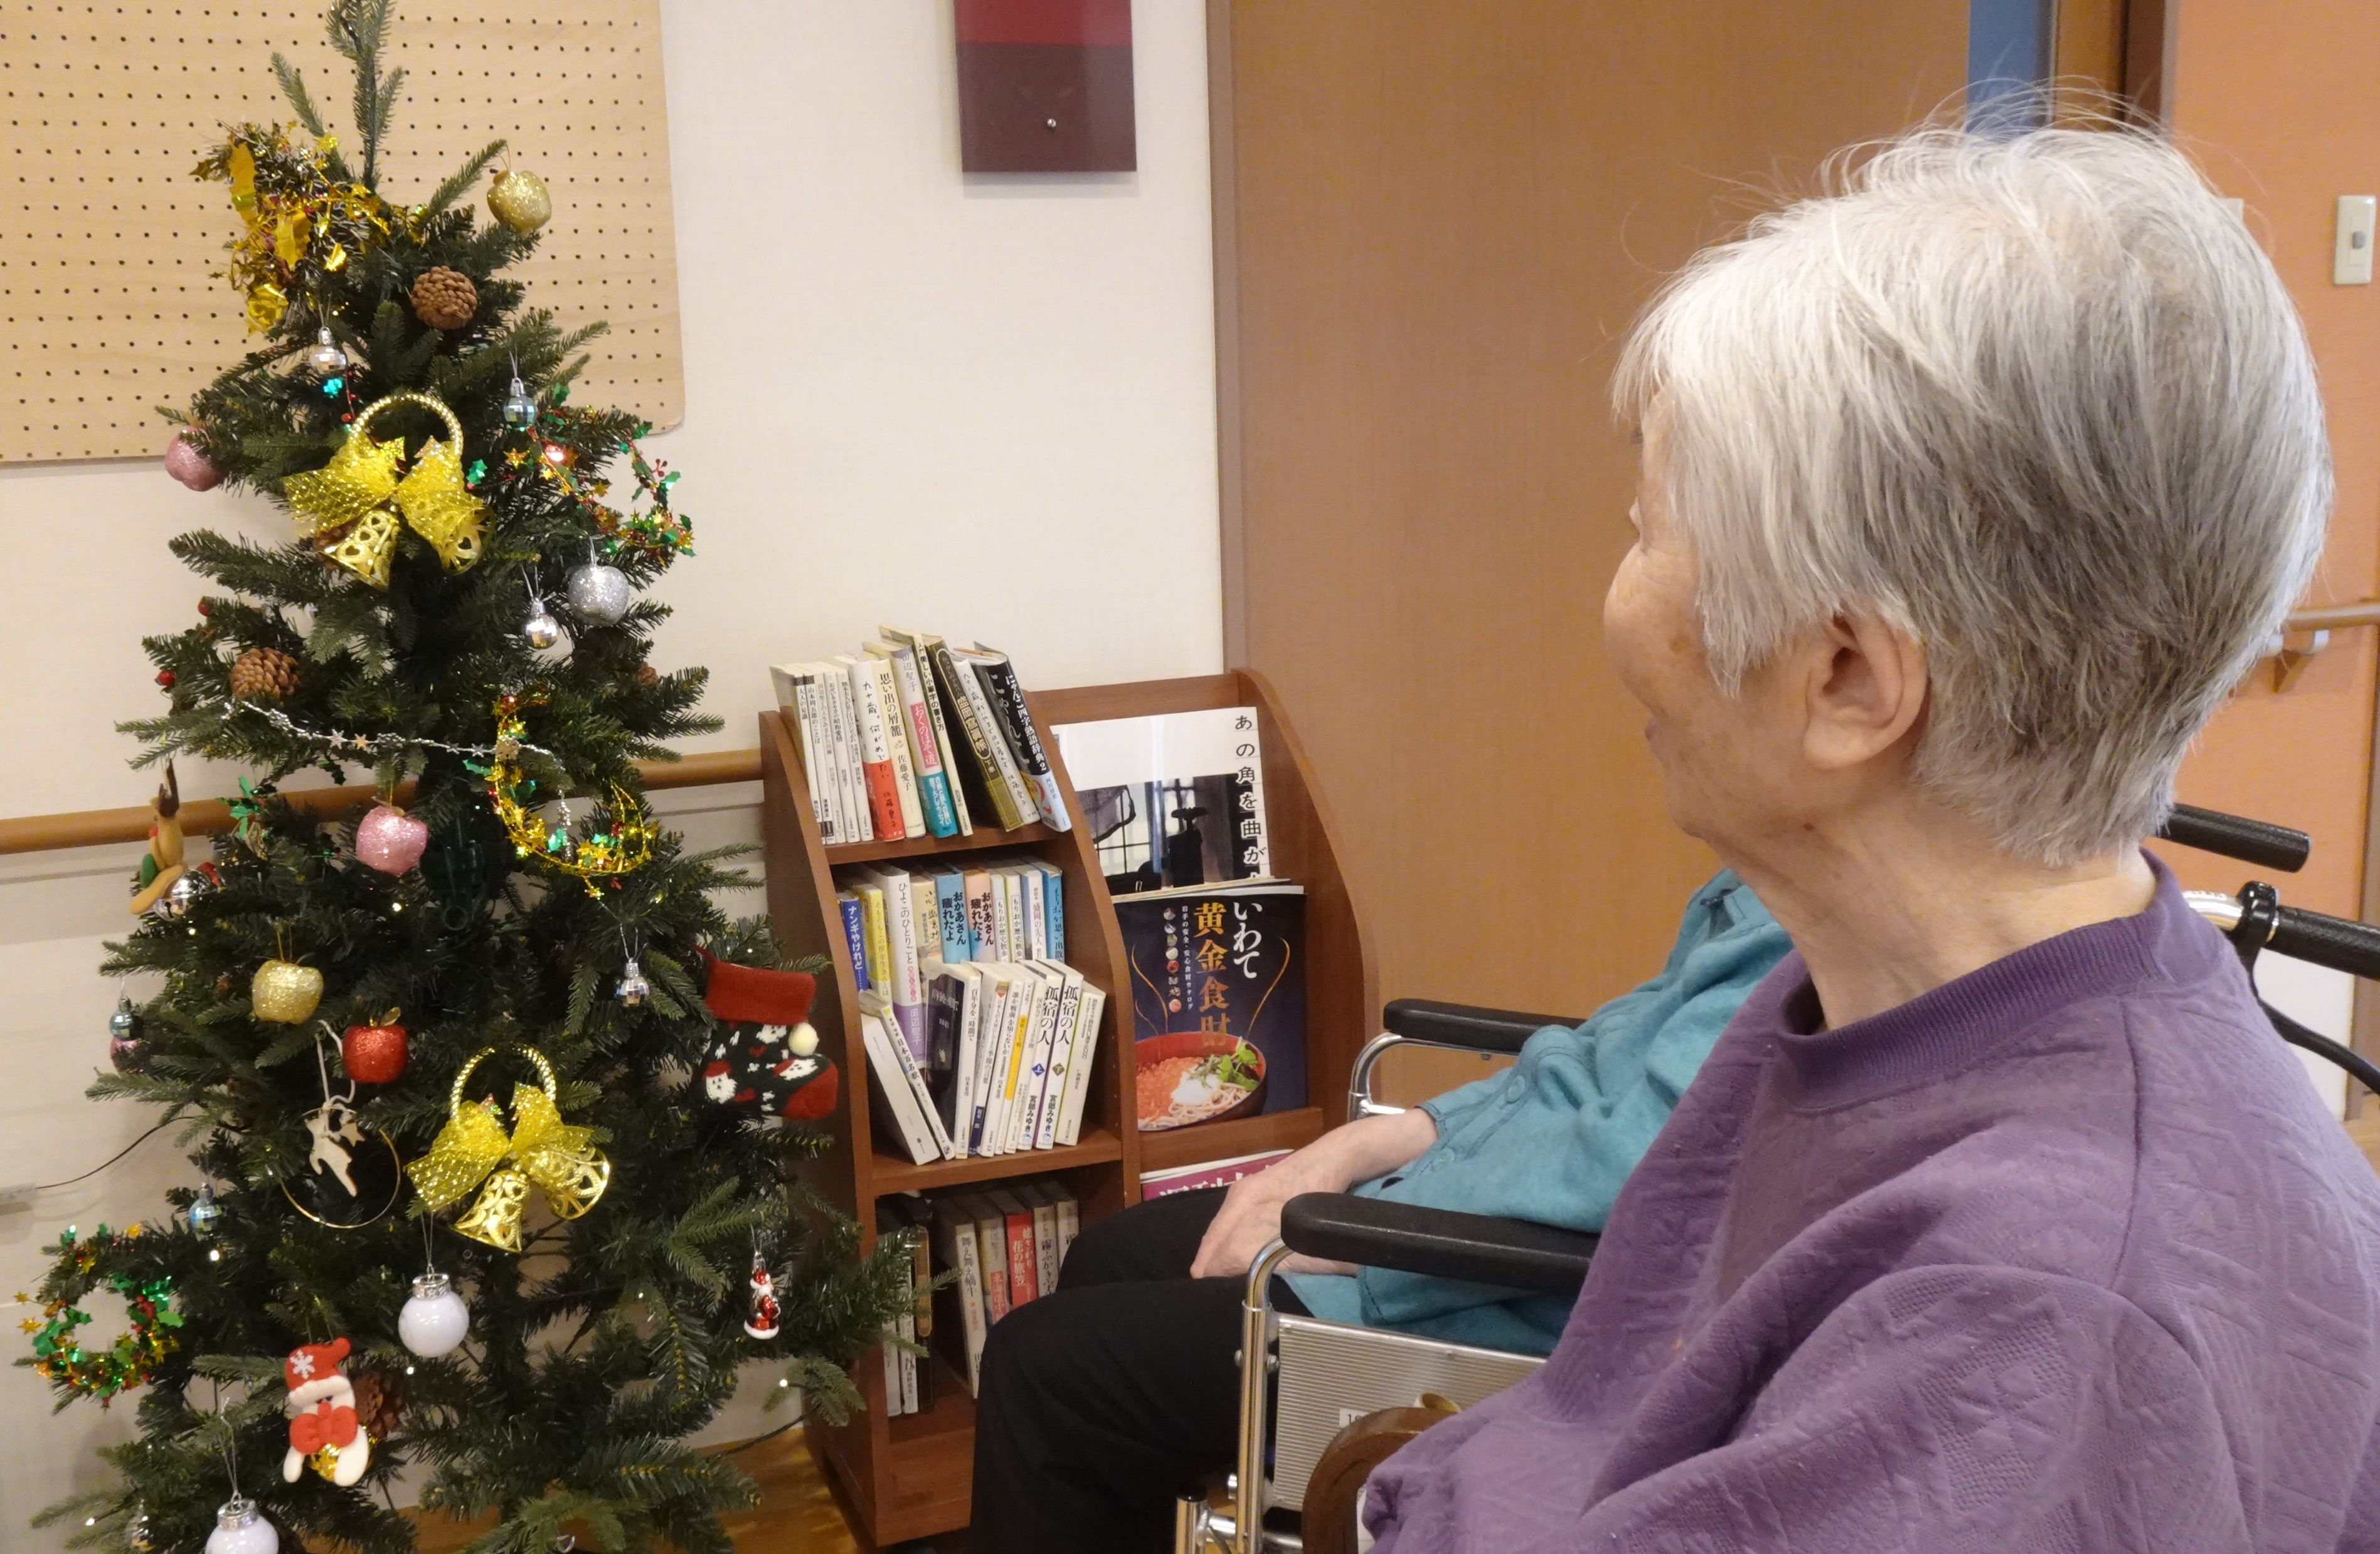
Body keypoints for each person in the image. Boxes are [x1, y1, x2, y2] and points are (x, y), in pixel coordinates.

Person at [1363, 121, 2380, 1551]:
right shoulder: (1877, 999)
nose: (1616, 600)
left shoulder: (2034, 1324)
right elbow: (1603, 1423)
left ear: (1846, 677)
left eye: (1646, 531)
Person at [968, 870, 1792, 1552]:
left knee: (1042, 1373)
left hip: (1504, 1298)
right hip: (1458, 1211)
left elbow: (1629, 1174)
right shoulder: (1760, 892)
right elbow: (1581, 1061)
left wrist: (1356, 1238)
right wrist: (1361, 1146)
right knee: (1110, 1255)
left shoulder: (1797, 952)